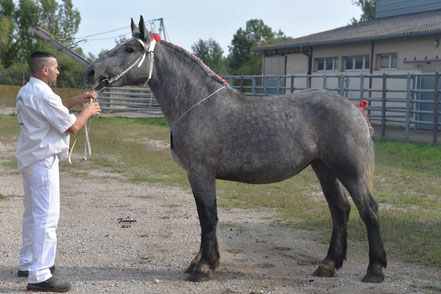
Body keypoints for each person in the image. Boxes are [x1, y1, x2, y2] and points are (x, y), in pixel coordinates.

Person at [15, 51, 101, 292]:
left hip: (31, 160)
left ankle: (28, 263)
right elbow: (72, 126)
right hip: (43, 162)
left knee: (32, 214)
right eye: (56, 68)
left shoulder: (27, 91)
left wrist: (76, 100)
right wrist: (88, 110)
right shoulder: (43, 94)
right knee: (46, 217)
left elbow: (54, 109)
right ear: (45, 70)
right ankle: (40, 275)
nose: (58, 72)